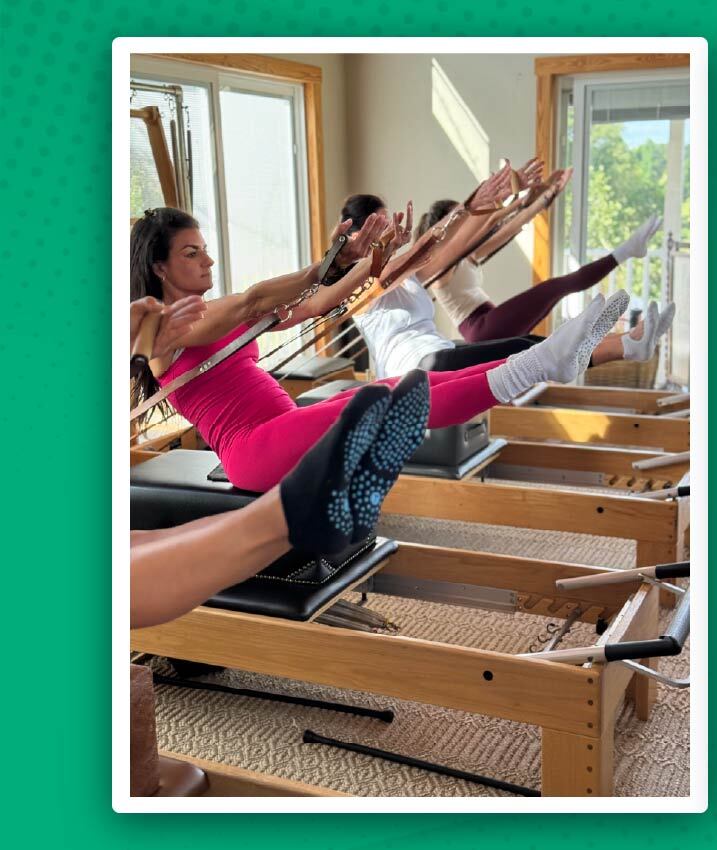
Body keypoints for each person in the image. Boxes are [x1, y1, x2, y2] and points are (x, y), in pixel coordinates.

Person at [130, 206, 627, 493]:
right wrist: (323, 261)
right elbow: (257, 298)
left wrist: (363, 264)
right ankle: (542, 362)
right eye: (192, 253)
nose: (208, 260)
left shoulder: (215, 312)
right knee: (377, 398)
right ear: (158, 267)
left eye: (205, 248)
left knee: (401, 385)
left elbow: (317, 302)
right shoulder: (163, 333)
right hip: (254, 451)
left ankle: (545, 361)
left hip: (283, 432)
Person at [129, 310, 430, 629]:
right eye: (191, 254)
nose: (207, 263)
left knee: (131, 544)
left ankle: (293, 513)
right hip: (246, 449)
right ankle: (289, 515)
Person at [346, 196, 674, 379]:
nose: (390, 231)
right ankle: (620, 341)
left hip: (439, 349)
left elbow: (483, 233)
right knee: (535, 334)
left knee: (529, 342)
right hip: (415, 367)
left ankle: (627, 344)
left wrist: (536, 201)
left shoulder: (414, 273)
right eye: (381, 225)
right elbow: (436, 248)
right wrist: (473, 207)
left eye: (389, 223)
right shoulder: (360, 281)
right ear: (358, 235)